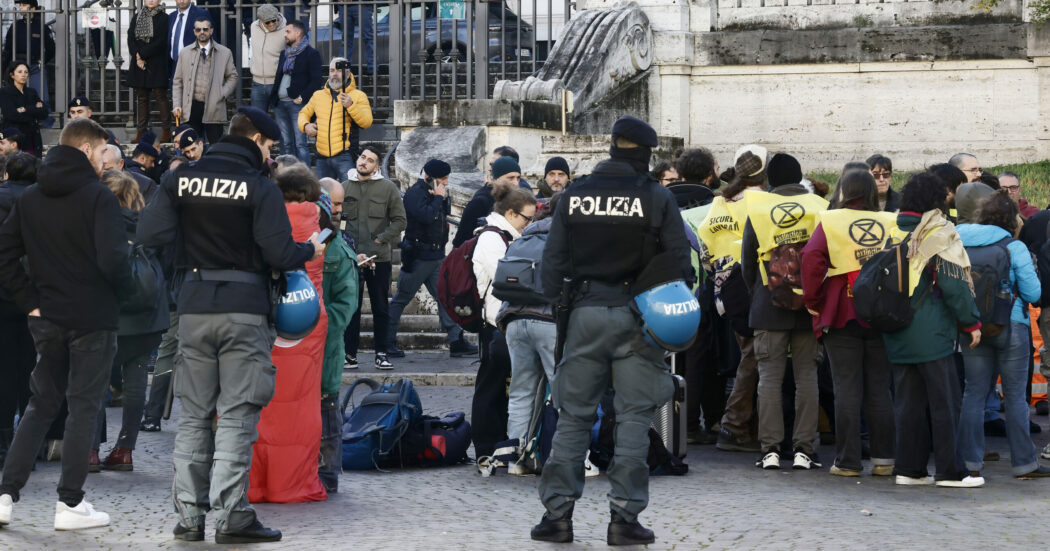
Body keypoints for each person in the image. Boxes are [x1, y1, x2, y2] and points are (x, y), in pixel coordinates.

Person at [137, 107, 323, 543]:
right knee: (238, 414)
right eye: (270, 147)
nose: (271, 156)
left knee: (194, 416)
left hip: (194, 307)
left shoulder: (179, 179)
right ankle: (231, 516)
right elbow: (280, 253)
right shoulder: (258, 186)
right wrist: (310, 250)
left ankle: (189, 517)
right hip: (244, 309)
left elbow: (149, 235)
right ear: (255, 139)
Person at [533, 116, 693, 546]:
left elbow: (552, 263)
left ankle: (557, 516)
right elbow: (680, 262)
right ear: (643, 153)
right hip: (640, 317)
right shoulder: (656, 196)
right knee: (634, 420)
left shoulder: (574, 195)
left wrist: (561, 306)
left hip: (583, 314)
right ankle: (624, 518)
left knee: (573, 419)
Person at [0, 119, 134, 531]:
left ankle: (6, 495)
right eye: (102, 151)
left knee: (41, 405)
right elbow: (114, 261)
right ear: (90, 149)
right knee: (82, 407)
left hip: (48, 316)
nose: (103, 160)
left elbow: (5, 254)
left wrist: (31, 302)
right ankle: (70, 503)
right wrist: (123, 294)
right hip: (91, 316)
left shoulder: (32, 198)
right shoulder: (98, 197)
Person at [882, 172, 984, 488]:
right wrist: (972, 323)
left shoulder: (888, 227)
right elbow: (953, 284)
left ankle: (909, 469)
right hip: (932, 333)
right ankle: (951, 471)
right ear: (935, 201)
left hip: (895, 328)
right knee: (945, 404)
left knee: (907, 405)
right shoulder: (937, 232)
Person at [800, 169, 897, 477]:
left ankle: (848, 461)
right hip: (882, 315)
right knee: (880, 390)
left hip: (842, 312)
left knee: (847, 390)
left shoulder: (830, 222)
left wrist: (813, 303)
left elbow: (812, 260)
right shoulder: (890, 222)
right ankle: (884, 460)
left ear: (843, 190)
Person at [249, 163, 329, 503]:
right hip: (308, 318)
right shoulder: (322, 226)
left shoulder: (261, 220)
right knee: (301, 406)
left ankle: (254, 483)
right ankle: (290, 483)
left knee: (258, 403)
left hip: (266, 313)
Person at [955, 190, 1048, 479]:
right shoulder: (1013, 246)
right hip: (1012, 326)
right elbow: (1034, 293)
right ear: (1011, 218)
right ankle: (1024, 463)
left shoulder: (957, 241)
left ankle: (969, 463)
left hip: (972, 328)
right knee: (1016, 398)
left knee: (973, 394)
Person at [90, 170, 169, 472]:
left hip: (108, 315)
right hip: (148, 317)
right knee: (136, 384)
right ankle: (125, 450)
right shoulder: (149, 224)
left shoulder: (97, 225)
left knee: (95, 383)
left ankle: (90, 450)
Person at [472, 186, 537, 464]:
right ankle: (486, 449)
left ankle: (501, 444)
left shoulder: (510, 235)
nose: (530, 224)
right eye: (527, 218)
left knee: (504, 388)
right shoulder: (491, 238)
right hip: (495, 324)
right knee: (491, 387)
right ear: (510, 213)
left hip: (508, 323)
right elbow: (507, 278)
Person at [388, 159, 477, 359]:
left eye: (446, 179)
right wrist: (438, 198)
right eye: (442, 179)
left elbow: (442, 218)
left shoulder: (437, 193)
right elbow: (426, 217)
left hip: (436, 256)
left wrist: (441, 198)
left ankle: (456, 341)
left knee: (445, 298)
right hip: (418, 257)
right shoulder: (414, 194)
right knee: (401, 298)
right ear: (429, 178)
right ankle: (387, 341)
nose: (445, 183)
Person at [498, 191, 560, 471]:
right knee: (563, 390)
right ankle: (565, 457)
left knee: (521, 390)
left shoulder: (523, 237)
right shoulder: (565, 239)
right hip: (549, 321)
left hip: (514, 320)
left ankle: (515, 459)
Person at [342, 145, 405, 369]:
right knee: (351, 308)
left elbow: (400, 221)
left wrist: (380, 240)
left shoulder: (387, 188)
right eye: (362, 157)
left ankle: (382, 353)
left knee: (381, 308)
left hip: (379, 259)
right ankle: (349, 354)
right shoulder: (344, 187)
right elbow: (337, 221)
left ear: (377, 167)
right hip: (350, 259)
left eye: (369, 160)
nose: (364, 162)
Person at [317, 176, 359, 493]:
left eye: (342, 204)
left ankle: (329, 471)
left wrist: (317, 322)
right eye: (334, 202)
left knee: (328, 405)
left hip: (327, 344)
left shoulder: (342, 252)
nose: (338, 210)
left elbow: (346, 306)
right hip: (301, 345)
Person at [0, 152, 39, 467]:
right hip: (33, 297)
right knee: (31, 369)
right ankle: (32, 444)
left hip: (2, 296)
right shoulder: (39, 203)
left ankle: (3, 441)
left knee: (3, 369)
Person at [299, 57, 372, 180]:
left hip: (346, 155)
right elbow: (303, 113)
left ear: (348, 74)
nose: (334, 74)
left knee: (349, 196)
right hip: (322, 157)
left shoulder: (358, 96)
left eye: (338, 70)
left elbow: (366, 122)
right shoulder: (318, 95)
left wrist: (351, 106)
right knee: (323, 197)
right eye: (332, 70)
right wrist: (306, 126)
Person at [171, 16, 238, 145]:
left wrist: (221, 93)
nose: (202, 32)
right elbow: (177, 81)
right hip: (191, 107)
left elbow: (233, 76)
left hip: (214, 106)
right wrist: (177, 105)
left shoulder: (225, 52)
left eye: (205, 29)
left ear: (211, 31)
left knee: (215, 147)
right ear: (194, 31)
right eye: (198, 29)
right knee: (191, 147)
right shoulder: (185, 52)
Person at [452, 146, 533, 247]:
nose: (516, 183)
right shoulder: (480, 202)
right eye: (511, 178)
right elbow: (460, 242)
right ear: (497, 178)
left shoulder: (516, 199)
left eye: (518, 178)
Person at [269, 20, 320, 165]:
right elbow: (279, 77)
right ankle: (287, 175)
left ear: (298, 33)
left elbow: (316, 81)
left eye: (288, 31)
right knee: (286, 143)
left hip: (297, 105)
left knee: (300, 144)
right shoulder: (284, 54)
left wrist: (302, 97)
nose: (285, 35)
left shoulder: (311, 54)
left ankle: (304, 177)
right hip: (280, 105)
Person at [2, 0, 55, 123]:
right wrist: (6, 68)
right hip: (17, 65)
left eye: (24, 5)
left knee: (43, 98)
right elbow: (8, 49)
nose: (21, 8)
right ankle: (16, 124)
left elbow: (51, 49)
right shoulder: (16, 25)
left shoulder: (41, 26)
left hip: (34, 66)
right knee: (14, 97)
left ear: (33, 8)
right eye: (20, 5)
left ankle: (47, 125)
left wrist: (41, 61)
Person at [128, 0, 170, 144]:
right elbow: (130, 38)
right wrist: (137, 56)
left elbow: (161, 41)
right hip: (139, 62)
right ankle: (141, 131)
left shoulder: (164, 18)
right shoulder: (137, 16)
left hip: (156, 61)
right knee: (142, 97)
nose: (151, 0)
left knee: (160, 96)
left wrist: (143, 55)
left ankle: (166, 131)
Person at [0, 61, 46, 157]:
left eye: (26, 72)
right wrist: (34, 110)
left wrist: (24, 109)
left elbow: (44, 113)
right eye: (20, 72)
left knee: (33, 166)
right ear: (12, 75)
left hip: (32, 137)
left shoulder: (31, 92)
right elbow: (11, 114)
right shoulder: (5, 92)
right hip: (14, 137)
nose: (23, 75)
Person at [248, 4, 285, 110]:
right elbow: (252, 49)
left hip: (278, 83)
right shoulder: (254, 27)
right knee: (258, 122)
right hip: (257, 83)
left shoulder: (286, 28)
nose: (272, 24)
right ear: (261, 21)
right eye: (267, 22)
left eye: (274, 20)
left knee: (280, 123)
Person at [168, 0, 210, 78]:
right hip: (175, 65)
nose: (182, 1)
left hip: (195, 64)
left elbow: (210, 39)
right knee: (175, 89)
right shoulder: (171, 16)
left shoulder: (201, 13)